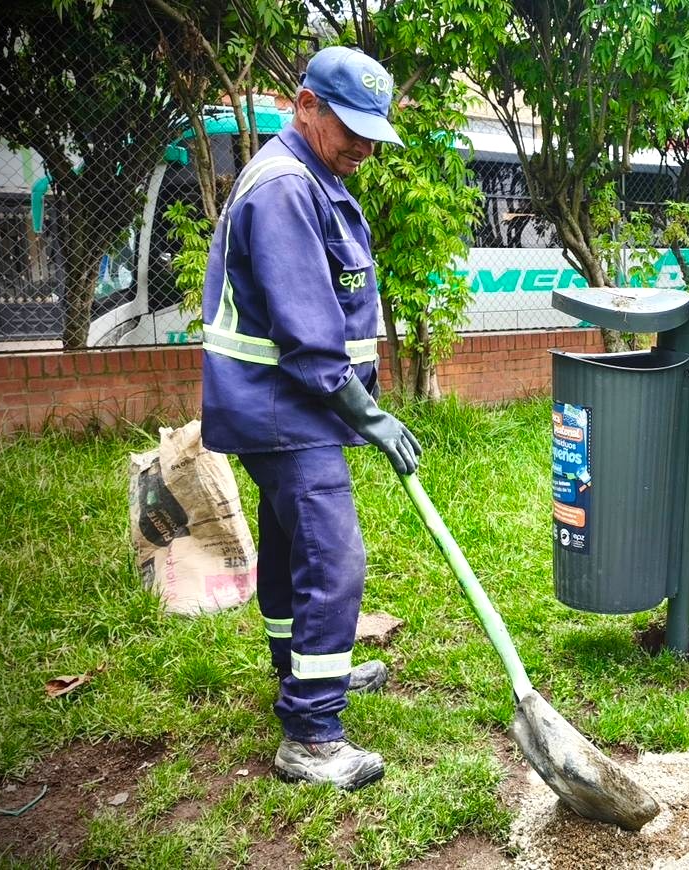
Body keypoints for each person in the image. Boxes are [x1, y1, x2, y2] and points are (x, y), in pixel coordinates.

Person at [200, 46, 422, 789]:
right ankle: (312, 734)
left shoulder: (310, 174)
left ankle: (301, 676)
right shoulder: (287, 188)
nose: (362, 147)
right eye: (349, 128)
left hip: (286, 404)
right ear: (305, 105)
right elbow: (305, 327)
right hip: (281, 407)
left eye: (371, 133)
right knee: (333, 556)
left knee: (292, 543)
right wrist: (367, 414)